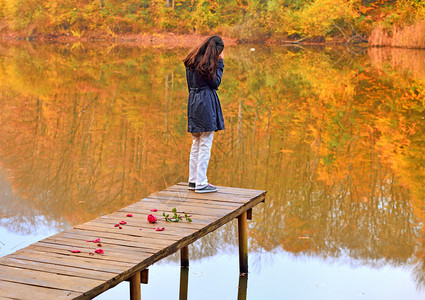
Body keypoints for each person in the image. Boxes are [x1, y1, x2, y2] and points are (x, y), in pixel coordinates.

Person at [183, 35, 225, 193]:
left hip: (193, 102)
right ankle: (201, 182)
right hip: (205, 103)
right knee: (205, 142)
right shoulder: (207, 63)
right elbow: (216, 83)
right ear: (216, 50)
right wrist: (220, 63)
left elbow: (190, 85)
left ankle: (193, 180)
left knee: (196, 143)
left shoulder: (192, 60)